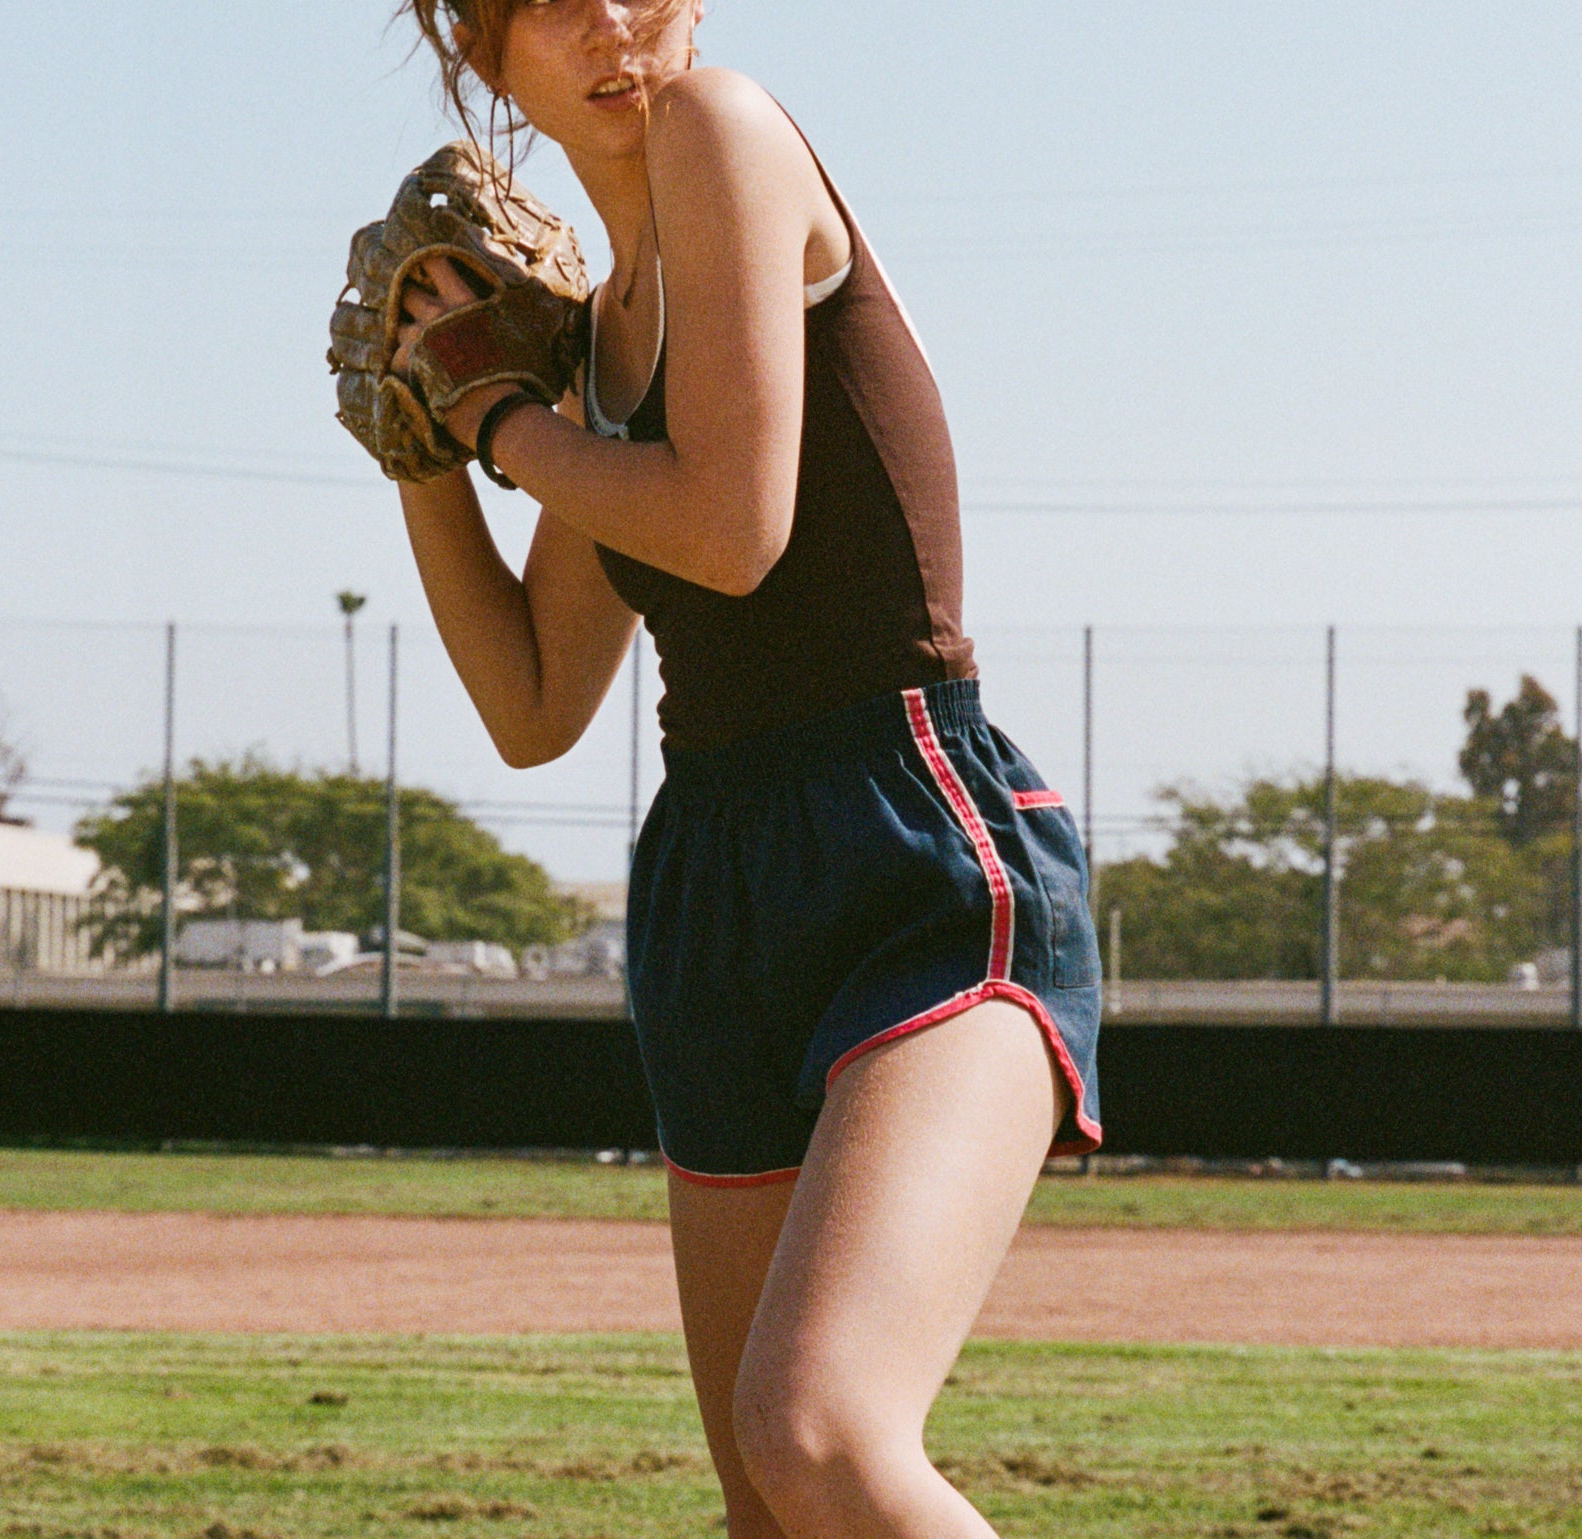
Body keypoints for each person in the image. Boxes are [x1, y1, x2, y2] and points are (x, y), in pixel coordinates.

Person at [385, 4, 1102, 1535]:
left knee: (819, 1431)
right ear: (481, 53)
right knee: (772, 1515)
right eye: (549, 3)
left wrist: (494, 416)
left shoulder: (724, 121)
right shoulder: (596, 339)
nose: (610, 28)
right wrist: (421, 455)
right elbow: (531, 699)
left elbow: (727, 527)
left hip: (908, 838)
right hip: (715, 876)